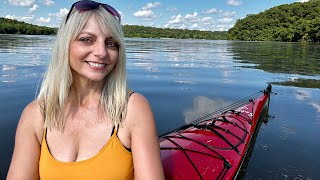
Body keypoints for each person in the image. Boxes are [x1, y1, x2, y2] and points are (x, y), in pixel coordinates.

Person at [7, 0, 165, 179]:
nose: (101, 52)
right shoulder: (35, 114)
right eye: (86, 39)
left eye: (111, 43)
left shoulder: (132, 109)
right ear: (65, 45)